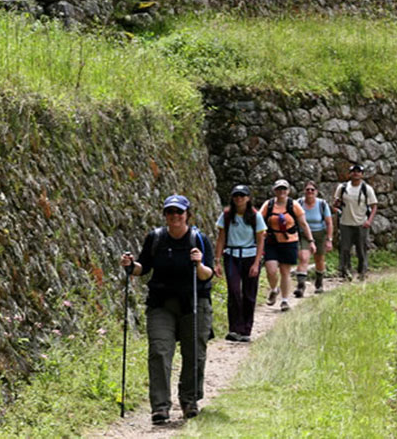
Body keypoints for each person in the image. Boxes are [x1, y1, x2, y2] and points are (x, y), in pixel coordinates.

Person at [120, 194, 214, 425]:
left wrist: (199, 263)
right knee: (159, 352)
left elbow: (207, 274)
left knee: (194, 353)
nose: (174, 216)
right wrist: (130, 266)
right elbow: (143, 269)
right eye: (170, 212)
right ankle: (160, 407)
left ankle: (189, 400)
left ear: (187, 215)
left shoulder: (199, 239)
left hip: (194, 303)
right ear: (165, 215)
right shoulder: (156, 239)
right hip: (161, 303)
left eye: (179, 212)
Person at [213, 184, 266, 343]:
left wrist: (256, 263)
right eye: (236, 196)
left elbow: (260, 239)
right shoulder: (227, 215)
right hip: (232, 256)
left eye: (242, 196)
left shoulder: (255, 216)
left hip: (250, 256)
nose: (239, 199)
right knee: (234, 292)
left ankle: (246, 330)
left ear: (248, 198)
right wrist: (217, 261)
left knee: (249, 294)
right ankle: (234, 329)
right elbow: (221, 238)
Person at [260, 179, 316, 312]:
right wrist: (261, 233)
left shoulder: (293, 205)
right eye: (279, 189)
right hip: (272, 241)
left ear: (288, 191)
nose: (281, 192)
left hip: (289, 242)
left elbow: (303, 224)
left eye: (284, 189)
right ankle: (274, 289)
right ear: (274, 191)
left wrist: (311, 241)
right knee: (271, 270)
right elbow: (259, 220)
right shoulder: (268, 205)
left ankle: (284, 301)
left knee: (285, 272)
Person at [333, 164, 378, 281]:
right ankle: (345, 271)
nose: (356, 174)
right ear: (350, 173)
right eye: (354, 171)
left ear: (362, 174)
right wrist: (337, 209)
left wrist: (369, 221)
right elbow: (335, 204)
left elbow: (374, 206)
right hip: (345, 223)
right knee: (345, 249)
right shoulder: (342, 187)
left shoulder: (367, 189)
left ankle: (362, 272)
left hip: (361, 224)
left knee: (361, 249)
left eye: (358, 172)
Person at [297, 181, 334, 296]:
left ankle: (319, 283)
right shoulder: (299, 203)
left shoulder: (322, 204)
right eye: (307, 189)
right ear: (304, 191)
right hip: (304, 234)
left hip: (320, 234)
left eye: (312, 190)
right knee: (304, 258)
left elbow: (329, 223)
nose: (310, 192)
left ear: (316, 192)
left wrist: (329, 239)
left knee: (319, 259)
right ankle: (301, 286)